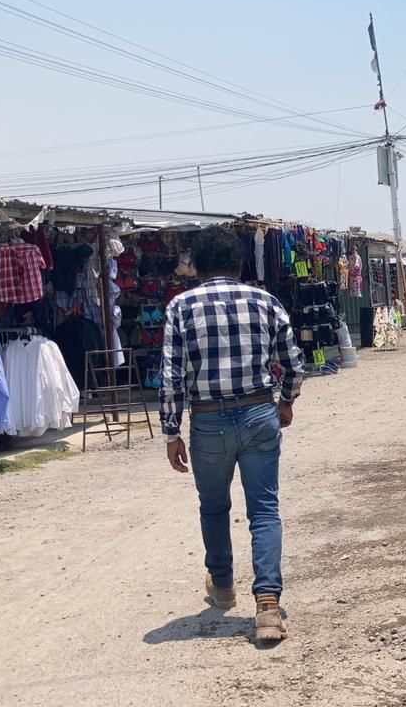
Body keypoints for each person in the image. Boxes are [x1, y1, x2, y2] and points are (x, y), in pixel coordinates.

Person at [160, 226, 304, 643]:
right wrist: (286, 401)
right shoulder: (265, 302)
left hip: (208, 421)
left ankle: (222, 584)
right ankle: (268, 605)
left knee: (214, 505)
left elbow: (171, 378)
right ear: (240, 264)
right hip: (259, 411)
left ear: (197, 267)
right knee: (264, 510)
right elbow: (293, 363)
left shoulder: (180, 306)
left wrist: (171, 432)